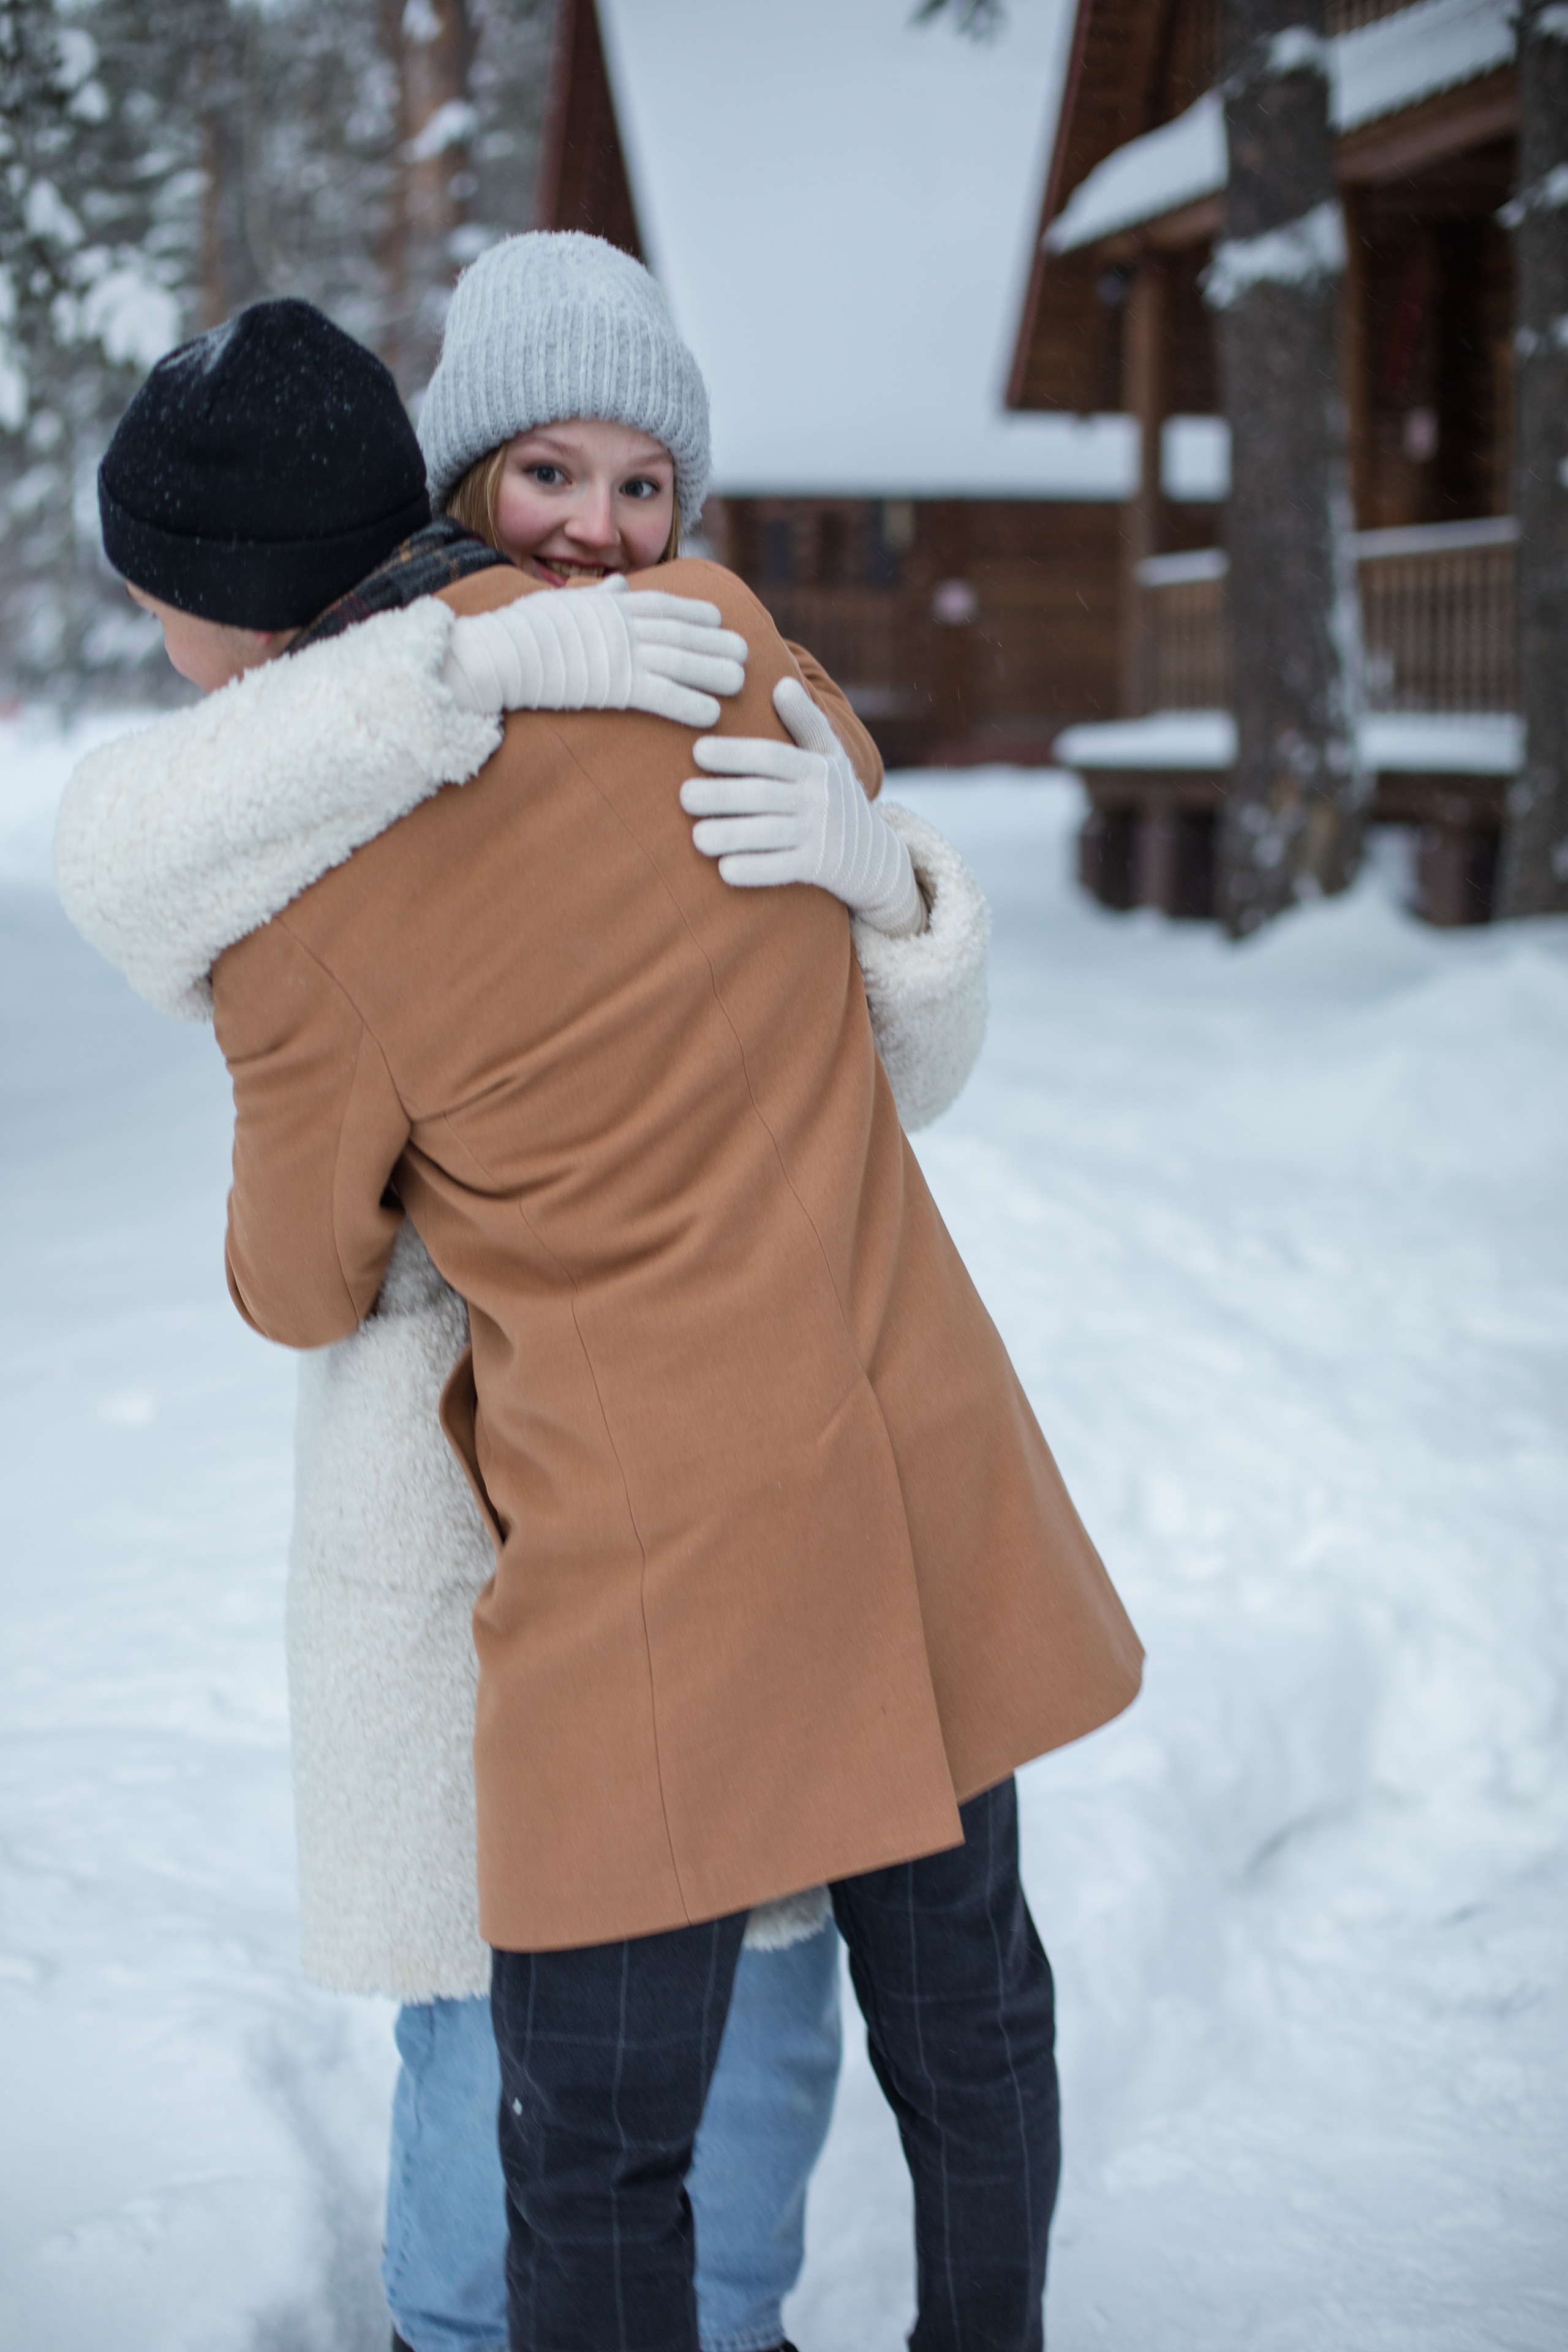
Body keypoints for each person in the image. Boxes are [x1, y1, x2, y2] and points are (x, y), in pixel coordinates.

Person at [56, 272, 995, 2352]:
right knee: (720, 1972)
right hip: (735, 1474)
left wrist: (887, 887)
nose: (595, 524)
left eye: (640, 480)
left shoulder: (386, 809)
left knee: (528, 2011)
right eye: (553, 477)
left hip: (572, 1488)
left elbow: (292, 1270)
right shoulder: (687, 668)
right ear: (462, 484)